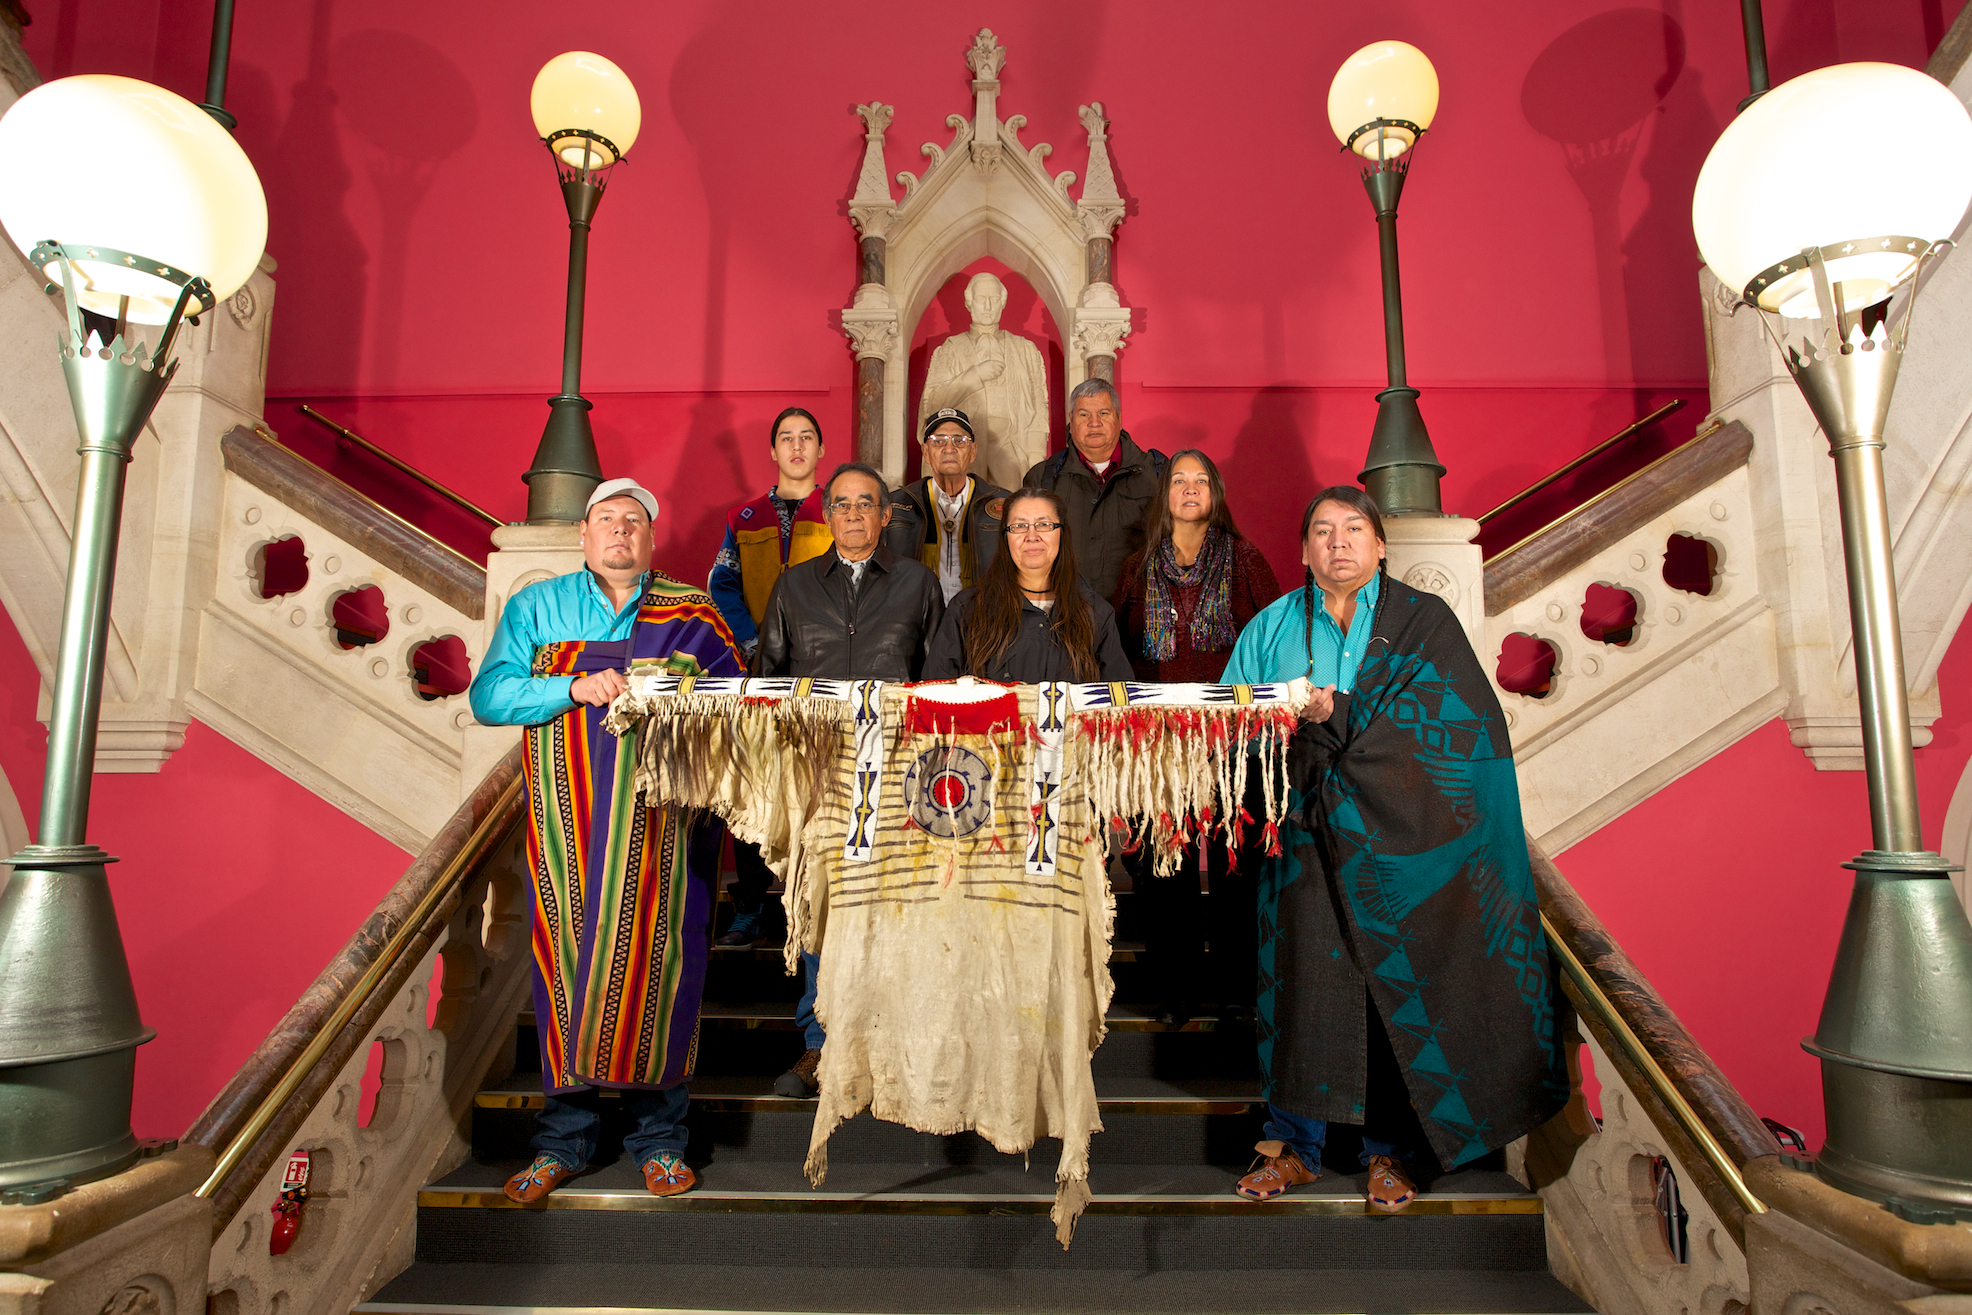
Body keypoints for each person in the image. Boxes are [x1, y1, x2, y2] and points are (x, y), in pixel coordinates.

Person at [1220, 487, 1567, 1211]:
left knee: (1393, 993)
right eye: (1321, 530)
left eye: (1353, 529)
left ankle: (1391, 1153)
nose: (1337, 542)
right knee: (1300, 986)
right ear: (1304, 550)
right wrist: (1281, 730)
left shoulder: (1421, 621)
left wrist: (1332, 711)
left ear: (1381, 546)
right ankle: (1293, 1147)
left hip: (1405, 844)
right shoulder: (1269, 627)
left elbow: (1465, 727)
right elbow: (1229, 728)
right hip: (1305, 837)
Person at [469, 477, 745, 1203]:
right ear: (584, 536)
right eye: (606, 520)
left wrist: (673, 691)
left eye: (634, 521)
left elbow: (737, 704)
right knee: (567, 973)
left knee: (663, 972)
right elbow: (491, 695)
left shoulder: (691, 610)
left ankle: (660, 1141)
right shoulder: (537, 606)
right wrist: (573, 687)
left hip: (663, 830)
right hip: (570, 828)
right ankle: (563, 1141)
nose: (620, 531)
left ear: (651, 539)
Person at [754, 462, 946, 1098]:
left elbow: (940, 681)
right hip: (819, 774)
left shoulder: (919, 585)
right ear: (827, 514)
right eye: (842, 504)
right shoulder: (794, 586)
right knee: (821, 908)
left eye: (867, 504)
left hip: (899, 774)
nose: (855, 514)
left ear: (886, 515)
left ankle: (897, 1039)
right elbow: (766, 684)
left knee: (902, 907)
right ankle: (820, 1043)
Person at [1111, 450, 1281, 1026]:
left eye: (1199, 481)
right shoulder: (1138, 567)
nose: (1189, 490)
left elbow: (1274, 638)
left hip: (1235, 741)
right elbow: (1121, 651)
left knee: (1235, 869)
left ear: (1216, 493)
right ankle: (1175, 993)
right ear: (1165, 496)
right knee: (1169, 870)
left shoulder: (1245, 559)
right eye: (1178, 481)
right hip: (1162, 743)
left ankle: (1236, 993)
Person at [707, 407, 833, 950]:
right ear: (773, 451)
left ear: (821, 450)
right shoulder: (743, 517)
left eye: (807, 437)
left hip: (818, 670)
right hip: (754, 670)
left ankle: (810, 900)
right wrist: (753, 641)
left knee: (817, 785)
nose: (797, 446)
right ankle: (752, 906)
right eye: (787, 438)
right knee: (751, 784)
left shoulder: (839, 509)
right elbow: (722, 584)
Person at [922, 487, 1134, 683]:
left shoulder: (1094, 613)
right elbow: (936, 694)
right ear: (1005, 536)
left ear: (1062, 532)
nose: (1032, 537)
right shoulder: (967, 608)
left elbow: (1119, 704)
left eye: (1044, 525)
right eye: (1019, 526)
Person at [1023, 377, 1165, 603]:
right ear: (1071, 420)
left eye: (1104, 413)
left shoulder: (1158, 474)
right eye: (1084, 415)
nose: (1094, 423)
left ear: (1119, 418)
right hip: (1067, 613)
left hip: (1140, 614)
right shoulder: (1042, 477)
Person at [919, 272, 1051, 490]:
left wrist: (1036, 461)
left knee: (1014, 511)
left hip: (1010, 444)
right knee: (961, 513)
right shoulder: (949, 350)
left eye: (994, 299)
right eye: (981, 299)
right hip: (961, 447)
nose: (988, 306)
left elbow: (1039, 407)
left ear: (1003, 303)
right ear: (969, 303)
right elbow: (932, 403)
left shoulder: (1025, 350)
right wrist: (976, 375)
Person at [894, 408, 1008, 602]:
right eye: (938, 441)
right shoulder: (897, 505)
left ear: (973, 451)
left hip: (983, 618)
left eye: (959, 440)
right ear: (925, 452)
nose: (949, 448)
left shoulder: (1005, 504)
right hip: (920, 622)